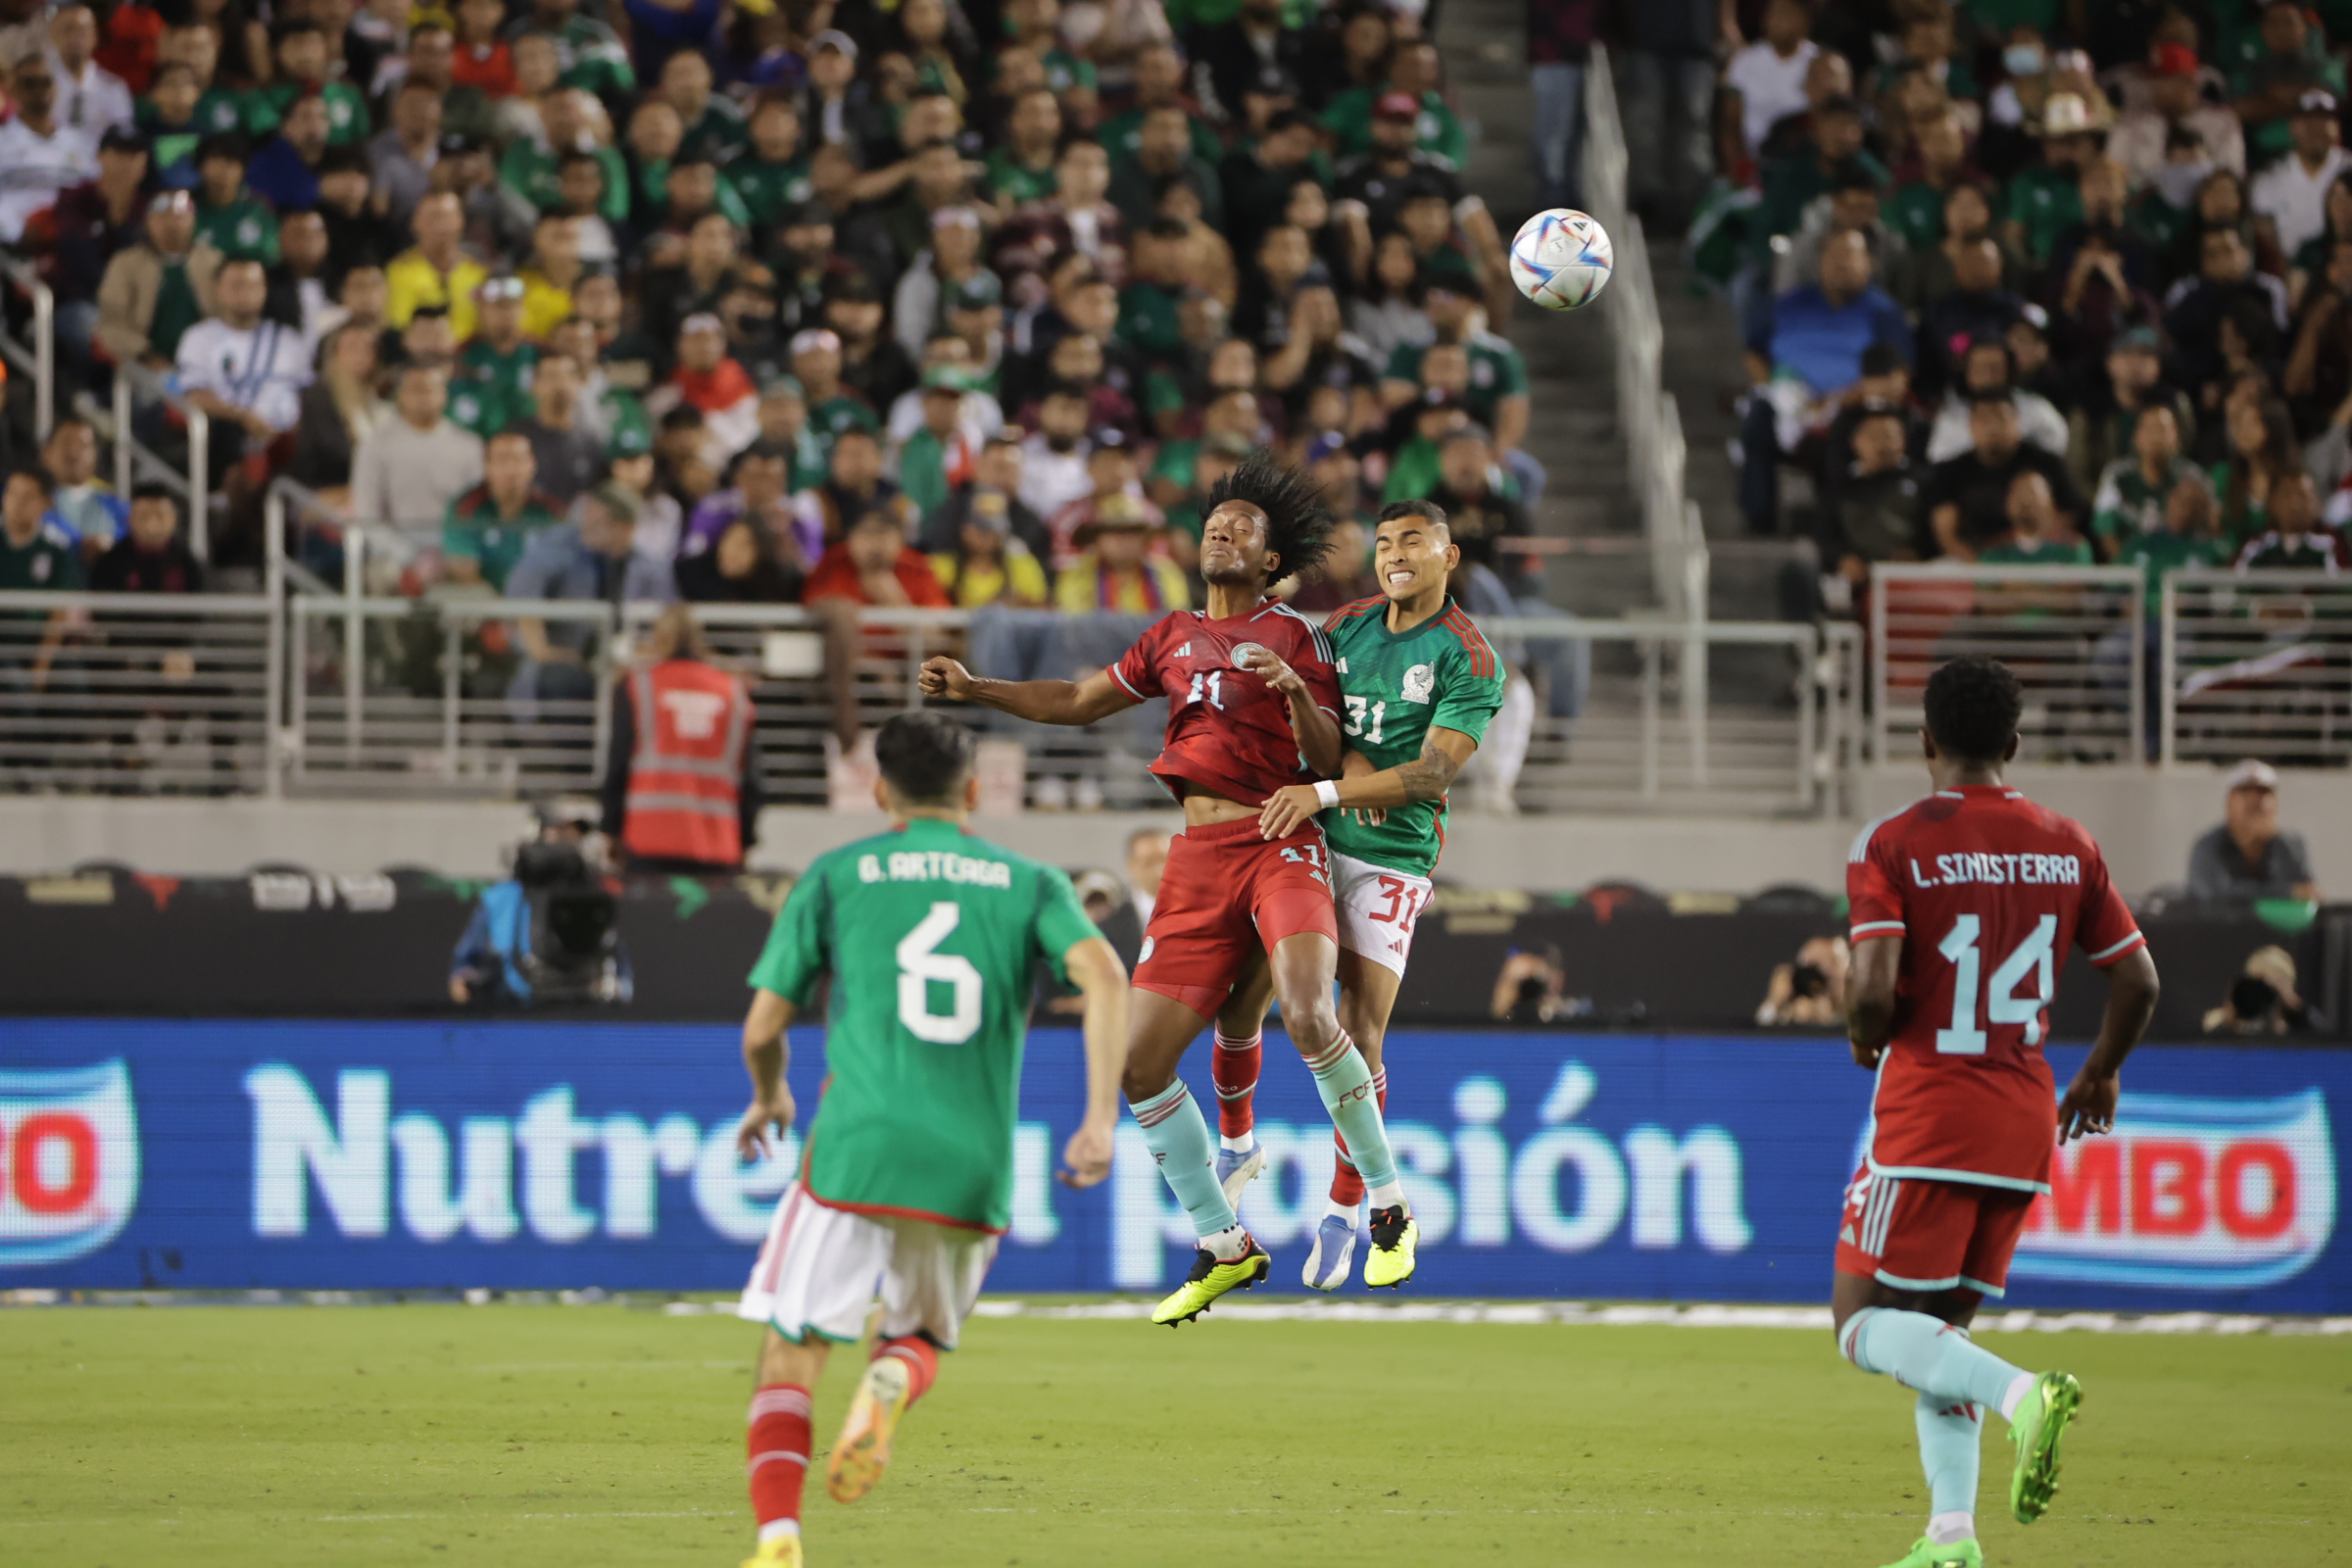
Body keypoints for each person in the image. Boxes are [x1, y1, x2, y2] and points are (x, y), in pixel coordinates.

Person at [918, 451, 1422, 1323]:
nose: (1221, 530)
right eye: (1212, 523)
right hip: (1195, 861)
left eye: (1242, 527)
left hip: (1279, 838)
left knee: (1308, 1013)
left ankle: (1387, 1200)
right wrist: (976, 689)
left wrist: (1295, 694)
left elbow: (1331, 758)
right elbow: (1077, 701)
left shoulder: (1298, 637)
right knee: (1140, 1065)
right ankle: (1224, 1244)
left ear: (1270, 560)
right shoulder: (1169, 638)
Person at [730, 710, 1126, 1568]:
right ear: (975, 791)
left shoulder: (837, 874)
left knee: (791, 1351)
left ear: (880, 792)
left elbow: (764, 1027)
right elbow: (1105, 976)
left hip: (853, 1151)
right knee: (918, 1337)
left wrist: (770, 1097)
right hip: (970, 1162)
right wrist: (1099, 1120)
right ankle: (894, 1379)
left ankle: (778, 1535)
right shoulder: (1030, 884)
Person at [1838, 654, 2159, 1568]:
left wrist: (1866, 1031)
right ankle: (1951, 1537)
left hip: (1930, 1113)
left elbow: (1870, 986)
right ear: (2013, 744)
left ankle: (2026, 1398)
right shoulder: (2069, 841)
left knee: (1861, 1323)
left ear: (1925, 740)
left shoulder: (1892, 842)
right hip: (2025, 1122)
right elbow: (2137, 978)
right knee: (1942, 1338)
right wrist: (2099, 1072)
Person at [1239, 500, 1505, 1290]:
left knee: (1358, 1030)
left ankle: (1345, 1208)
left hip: (1391, 856)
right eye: (1385, 542)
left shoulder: (1469, 656)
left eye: (1412, 542)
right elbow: (1311, 708)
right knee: (1269, 1003)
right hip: (1312, 843)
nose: (1395, 553)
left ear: (1447, 556)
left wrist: (1328, 789)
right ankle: (1235, 1143)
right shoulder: (1349, 625)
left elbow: (1431, 774)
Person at [601, 602, 761, 873]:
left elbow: (618, 765)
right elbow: (752, 780)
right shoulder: (733, 693)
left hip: (647, 842)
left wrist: (611, 830)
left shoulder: (637, 686)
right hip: (717, 846)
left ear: (658, 638)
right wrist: (745, 840)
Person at [351, 363, 486, 545]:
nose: (424, 397)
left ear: (444, 395)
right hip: (393, 554)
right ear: (401, 396)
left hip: (453, 550)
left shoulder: (469, 445)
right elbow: (367, 513)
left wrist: (455, 552)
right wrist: (404, 555)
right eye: (416, 390)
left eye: (430, 390)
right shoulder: (375, 446)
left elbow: (476, 509)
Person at [2186, 758, 2320, 904]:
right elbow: (2215, 896)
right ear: (2229, 803)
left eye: (2263, 792)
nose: (2254, 799)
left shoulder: (2290, 844)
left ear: (2275, 805)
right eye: (2245, 791)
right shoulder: (2208, 846)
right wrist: (2285, 893)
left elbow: (2308, 894)